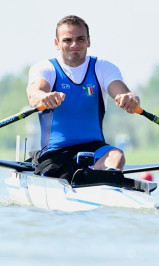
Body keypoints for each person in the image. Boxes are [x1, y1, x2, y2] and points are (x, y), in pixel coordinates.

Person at [27, 15, 140, 180]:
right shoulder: (45, 69)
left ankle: (107, 179)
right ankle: (94, 179)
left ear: (89, 41)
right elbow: (34, 94)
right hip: (56, 153)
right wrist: (44, 98)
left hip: (96, 149)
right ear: (56, 43)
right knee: (60, 171)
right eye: (67, 40)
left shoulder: (103, 68)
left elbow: (122, 92)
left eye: (80, 39)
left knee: (116, 156)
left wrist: (131, 98)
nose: (75, 45)